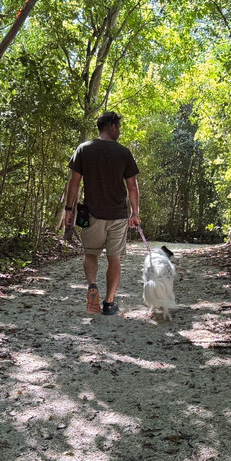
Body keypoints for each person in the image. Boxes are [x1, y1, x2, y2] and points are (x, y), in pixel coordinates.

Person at [63, 111, 141, 315]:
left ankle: (92, 286)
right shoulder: (123, 153)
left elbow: (74, 183)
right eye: (119, 127)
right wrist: (135, 213)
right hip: (118, 215)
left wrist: (68, 210)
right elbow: (132, 187)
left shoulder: (84, 149)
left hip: (91, 214)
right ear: (113, 126)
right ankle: (109, 302)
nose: (119, 131)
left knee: (91, 254)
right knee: (114, 258)